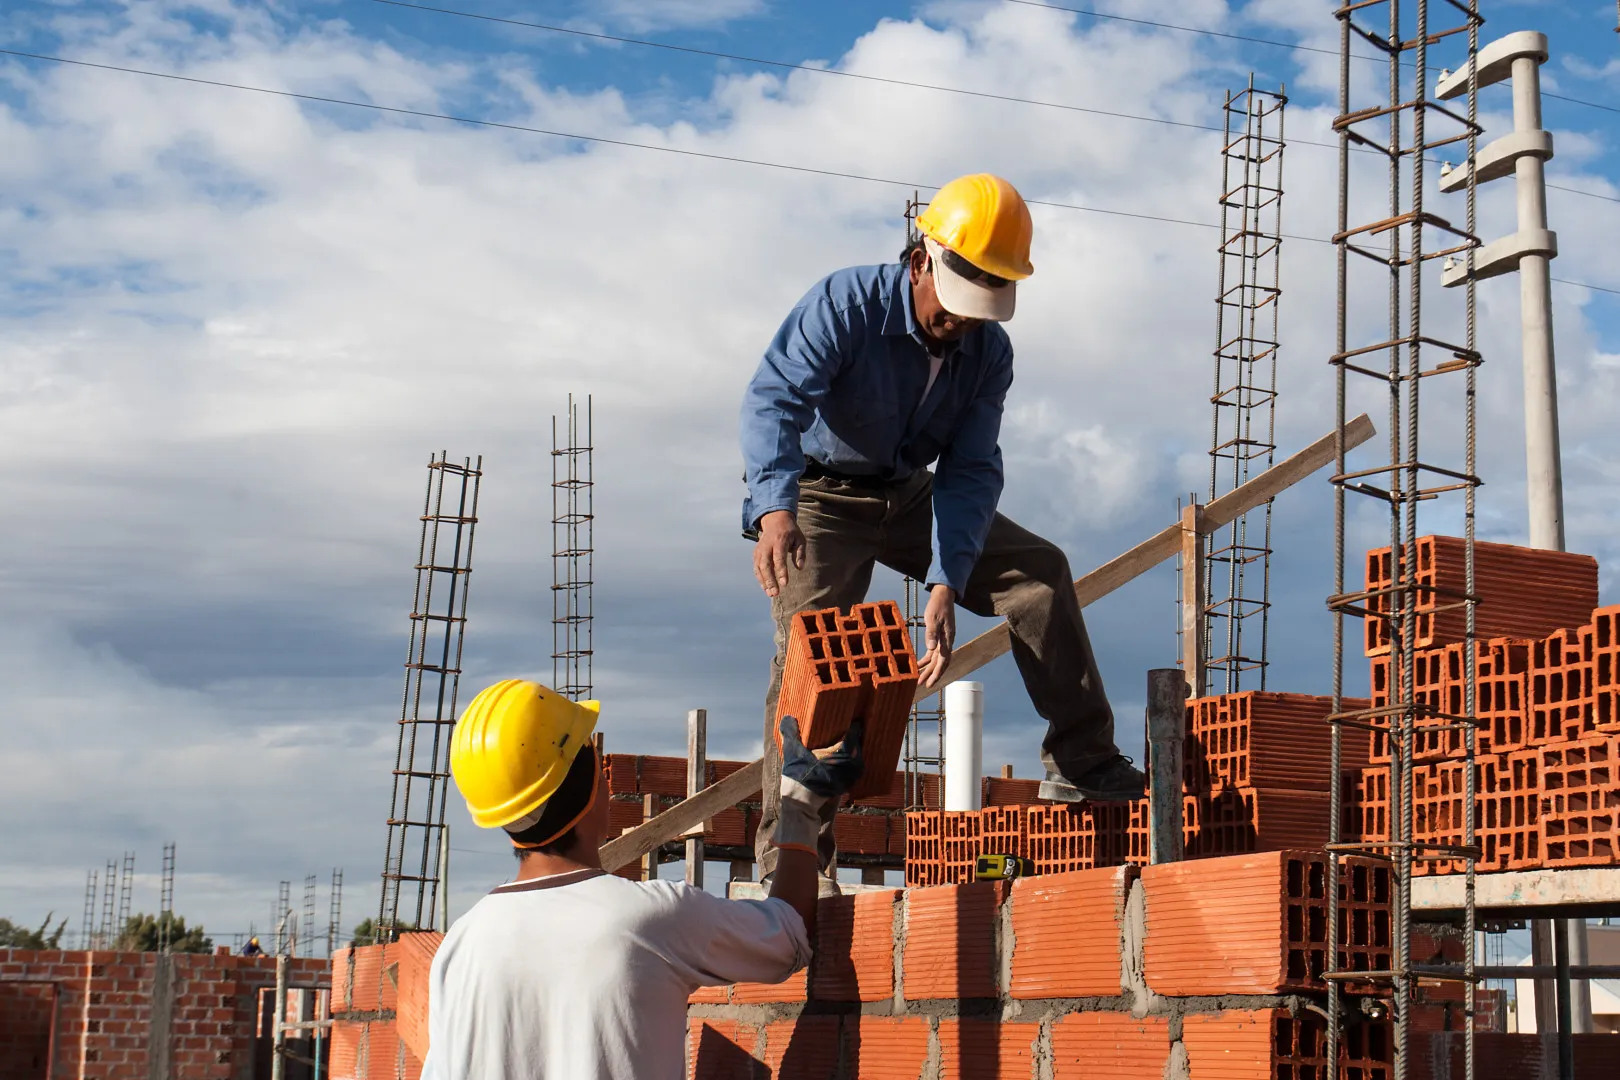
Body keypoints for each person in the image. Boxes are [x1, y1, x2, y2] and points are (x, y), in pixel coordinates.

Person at [740, 173, 1147, 880]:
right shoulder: (845, 304)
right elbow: (773, 400)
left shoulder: (988, 354)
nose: (963, 321)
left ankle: (1083, 764)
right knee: (816, 657)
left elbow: (971, 471)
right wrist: (775, 508)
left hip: (909, 492)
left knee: (1038, 576)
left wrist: (944, 582)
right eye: (958, 302)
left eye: (983, 304)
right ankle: (794, 862)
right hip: (820, 497)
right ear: (922, 258)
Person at [421, 679, 865, 1080]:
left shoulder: (458, 949)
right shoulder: (647, 919)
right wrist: (802, 806)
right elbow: (787, 935)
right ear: (591, 784)